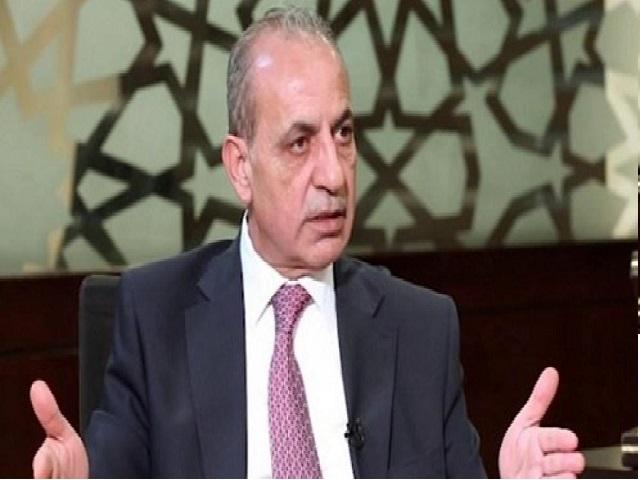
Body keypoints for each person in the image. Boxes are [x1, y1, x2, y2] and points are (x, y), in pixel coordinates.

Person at [30, 6, 585, 478]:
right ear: (240, 167)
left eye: (343, 134)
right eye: (299, 142)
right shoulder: (155, 319)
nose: (334, 174)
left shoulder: (421, 331)